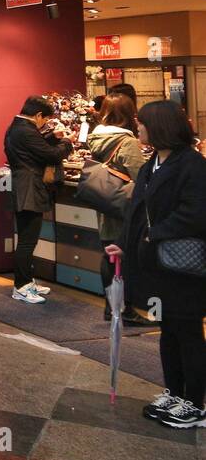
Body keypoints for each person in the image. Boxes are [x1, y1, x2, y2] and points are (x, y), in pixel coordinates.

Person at [106, 100, 206, 429]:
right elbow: (137, 211)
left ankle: (195, 403)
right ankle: (175, 392)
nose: (138, 128)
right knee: (167, 332)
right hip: (157, 265)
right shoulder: (153, 164)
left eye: (143, 123)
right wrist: (125, 244)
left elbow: (196, 212)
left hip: (183, 267)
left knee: (188, 332)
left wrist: (154, 234)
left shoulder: (192, 165)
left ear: (159, 127)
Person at [87, 94, 152, 326]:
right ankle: (124, 309)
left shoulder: (96, 137)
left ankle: (111, 307)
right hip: (125, 206)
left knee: (109, 255)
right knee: (124, 258)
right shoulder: (127, 142)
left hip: (106, 203)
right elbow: (141, 175)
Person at [4, 96, 71, 304]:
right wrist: (67, 143)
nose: (44, 124)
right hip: (29, 189)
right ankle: (21, 287)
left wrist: (51, 137)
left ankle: (26, 281)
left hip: (24, 187)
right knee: (27, 241)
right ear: (39, 115)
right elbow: (49, 155)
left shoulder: (17, 128)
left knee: (26, 239)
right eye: (45, 120)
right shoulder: (26, 130)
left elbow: (37, 150)